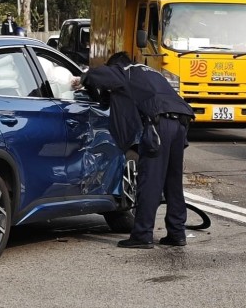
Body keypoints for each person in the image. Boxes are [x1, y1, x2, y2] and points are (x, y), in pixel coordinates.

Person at [79, 52, 195, 249]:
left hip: (159, 124)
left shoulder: (123, 70)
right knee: (172, 181)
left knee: (150, 179)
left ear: (115, 65)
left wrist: (82, 78)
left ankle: (142, 234)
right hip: (181, 121)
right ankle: (177, 232)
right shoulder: (150, 72)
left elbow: (96, 75)